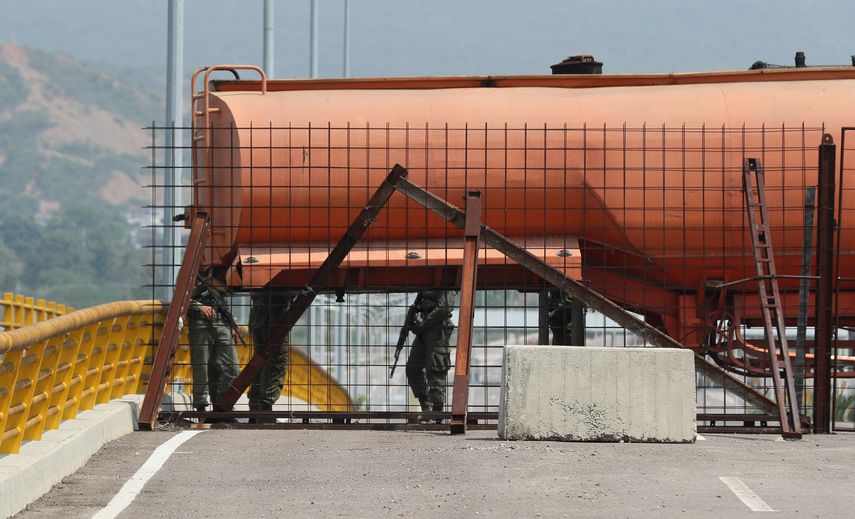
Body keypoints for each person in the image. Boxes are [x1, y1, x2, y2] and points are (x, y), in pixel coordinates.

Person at [188, 266, 239, 414]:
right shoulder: (191, 270)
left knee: (232, 367)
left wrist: (232, 325)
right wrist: (199, 307)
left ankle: (222, 404)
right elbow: (181, 297)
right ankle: (201, 408)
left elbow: (223, 298)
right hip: (199, 323)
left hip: (221, 322)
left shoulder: (219, 268)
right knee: (201, 367)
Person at [404, 290, 456, 417]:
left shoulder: (444, 278)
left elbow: (445, 308)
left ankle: (437, 413)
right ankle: (426, 407)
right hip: (425, 325)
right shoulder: (425, 279)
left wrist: (424, 324)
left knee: (435, 367)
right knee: (412, 368)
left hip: (438, 327)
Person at [248, 288, 293, 418]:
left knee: (259, 362)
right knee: (276, 362)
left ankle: (255, 408)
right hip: (275, 313)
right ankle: (265, 407)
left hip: (258, 313)